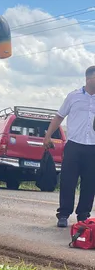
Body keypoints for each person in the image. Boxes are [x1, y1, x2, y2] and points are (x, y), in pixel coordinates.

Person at [44, 66, 95, 228]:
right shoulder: (73, 96)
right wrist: (48, 135)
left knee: (90, 183)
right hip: (74, 146)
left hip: (93, 147)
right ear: (88, 79)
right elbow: (59, 116)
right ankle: (64, 214)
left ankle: (83, 215)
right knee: (68, 181)